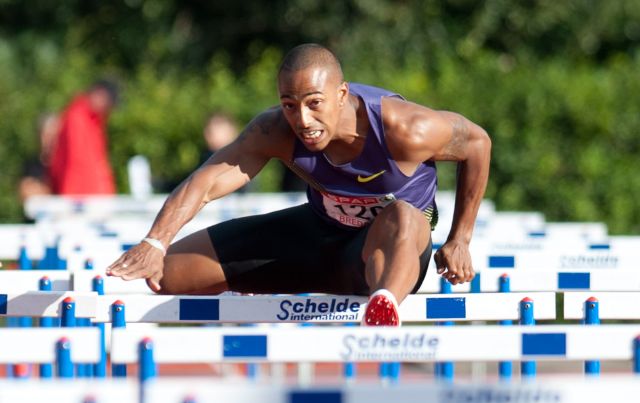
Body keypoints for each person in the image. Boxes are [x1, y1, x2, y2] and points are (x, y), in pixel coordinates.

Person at [107, 43, 491, 326]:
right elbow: (207, 181)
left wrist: (460, 238)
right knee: (167, 271)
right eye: (289, 104)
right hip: (318, 236)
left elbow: (477, 144)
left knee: (404, 217)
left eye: (313, 103)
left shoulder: (405, 129)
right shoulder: (275, 130)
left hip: (383, 256)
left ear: (342, 95)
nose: (302, 120)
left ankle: (383, 308)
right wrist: (155, 241)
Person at [48, 79, 119, 195]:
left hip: (91, 195)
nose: (107, 109)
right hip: (81, 197)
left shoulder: (93, 121)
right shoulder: (77, 117)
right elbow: (77, 162)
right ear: (100, 94)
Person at [18, 113, 60, 205]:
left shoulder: (65, 165)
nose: (50, 140)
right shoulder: (31, 164)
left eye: (54, 136)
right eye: (47, 135)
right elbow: (26, 193)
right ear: (39, 136)